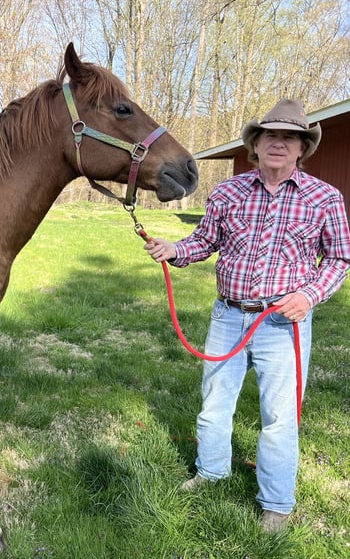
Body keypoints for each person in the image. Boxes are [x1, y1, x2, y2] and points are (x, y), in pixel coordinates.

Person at [144, 98, 350, 532]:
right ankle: (211, 471)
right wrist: (174, 248)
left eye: (290, 137)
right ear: (255, 145)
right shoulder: (228, 192)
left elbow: (338, 259)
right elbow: (204, 241)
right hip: (229, 317)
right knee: (214, 403)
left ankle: (276, 502)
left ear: (302, 148)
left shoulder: (325, 198)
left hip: (284, 325)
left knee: (279, 417)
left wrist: (309, 295)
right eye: (270, 135)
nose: (279, 143)